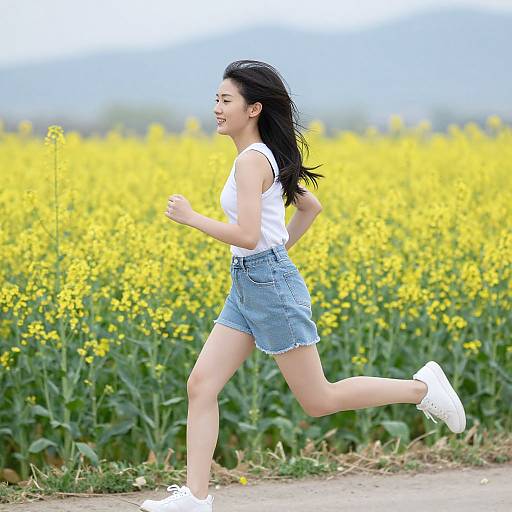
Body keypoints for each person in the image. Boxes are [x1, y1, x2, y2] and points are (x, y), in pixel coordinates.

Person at [140, 60, 466, 512]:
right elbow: (310, 206)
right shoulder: (263, 157)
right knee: (201, 385)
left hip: (264, 283)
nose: (216, 107)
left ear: (253, 108)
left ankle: (421, 389)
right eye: (216, 98)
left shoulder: (251, 162)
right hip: (252, 282)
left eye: (225, 100)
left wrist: (194, 218)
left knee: (319, 399)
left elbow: (250, 236)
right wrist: (277, 255)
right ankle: (195, 498)